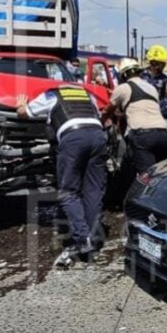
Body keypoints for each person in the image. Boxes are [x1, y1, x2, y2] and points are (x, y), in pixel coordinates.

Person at [17, 85, 107, 267]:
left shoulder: (52, 94)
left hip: (73, 138)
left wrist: (20, 105)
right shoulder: (87, 95)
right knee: (93, 190)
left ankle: (82, 239)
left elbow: (25, 114)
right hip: (98, 137)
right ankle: (93, 238)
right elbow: (98, 114)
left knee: (68, 193)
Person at [105, 58, 167, 178]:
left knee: (147, 178)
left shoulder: (122, 88)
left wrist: (100, 122)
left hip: (142, 137)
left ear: (123, 75)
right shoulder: (151, 88)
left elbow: (107, 111)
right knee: (163, 175)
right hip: (162, 134)